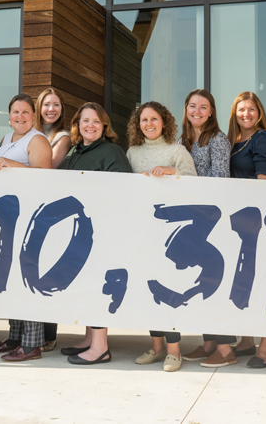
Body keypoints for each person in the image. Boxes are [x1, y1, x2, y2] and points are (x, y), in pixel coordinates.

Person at [55, 102, 131, 366]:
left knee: (98, 285)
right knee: (86, 283)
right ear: (77, 124)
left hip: (101, 230)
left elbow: (123, 187)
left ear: (104, 126)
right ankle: (89, 338)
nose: (90, 125)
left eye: (96, 121)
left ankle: (100, 347)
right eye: (85, 120)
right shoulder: (74, 151)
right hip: (78, 230)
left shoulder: (111, 151)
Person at [126, 101, 196, 371]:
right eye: (144, 120)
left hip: (172, 233)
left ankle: (174, 351)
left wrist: (172, 172)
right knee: (149, 288)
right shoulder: (132, 152)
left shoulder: (177, 150)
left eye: (154, 119)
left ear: (164, 122)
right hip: (143, 230)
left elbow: (195, 182)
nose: (149, 124)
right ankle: (156, 348)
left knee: (169, 287)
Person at [0, 93, 52, 362]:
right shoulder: (7, 139)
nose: (20, 116)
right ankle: (15, 337)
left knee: (27, 276)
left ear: (33, 116)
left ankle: (32, 344)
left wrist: (13, 165)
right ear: (9, 115)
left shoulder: (37, 140)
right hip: (9, 217)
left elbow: (45, 176)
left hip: (29, 217)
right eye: (15, 112)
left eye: (25, 112)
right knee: (11, 276)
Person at [179, 89, 242, 368]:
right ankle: (208, 344)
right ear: (186, 109)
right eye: (193, 106)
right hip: (192, 219)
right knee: (201, 280)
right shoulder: (180, 140)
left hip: (212, 219)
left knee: (216, 281)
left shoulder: (217, 139)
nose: (197, 111)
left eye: (203, 107)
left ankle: (226, 349)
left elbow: (221, 179)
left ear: (211, 112)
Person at [226, 91, 266, 369]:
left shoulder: (263, 139)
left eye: (251, 109)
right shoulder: (233, 140)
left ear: (259, 113)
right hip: (239, 220)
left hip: (258, 220)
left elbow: (265, 183)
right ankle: (246, 340)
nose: (246, 114)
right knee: (242, 280)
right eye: (241, 110)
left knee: (262, 282)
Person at [35, 87, 71, 351]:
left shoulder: (63, 137)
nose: (51, 109)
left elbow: (49, 166)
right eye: (46, 104)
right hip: (28, 207)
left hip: (50, 210)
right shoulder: (30, 133)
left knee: (46, 268)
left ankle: (49, 334)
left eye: (56, 104)